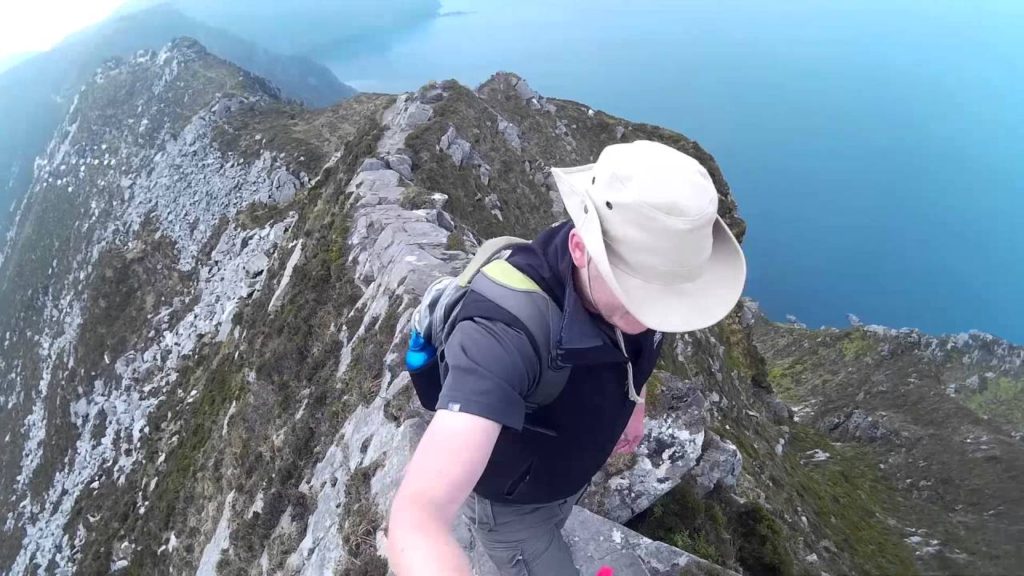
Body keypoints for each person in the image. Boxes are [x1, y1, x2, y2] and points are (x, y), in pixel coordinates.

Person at [386, 140, 747, 575]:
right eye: (638, 290)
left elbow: (639, 344)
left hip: (563, 478)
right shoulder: (501, 332)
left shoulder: (640, 292)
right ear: (580, 249)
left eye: (666, 297)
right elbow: (418, 515)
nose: (653, 313)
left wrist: (635, 404)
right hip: (514, 511)